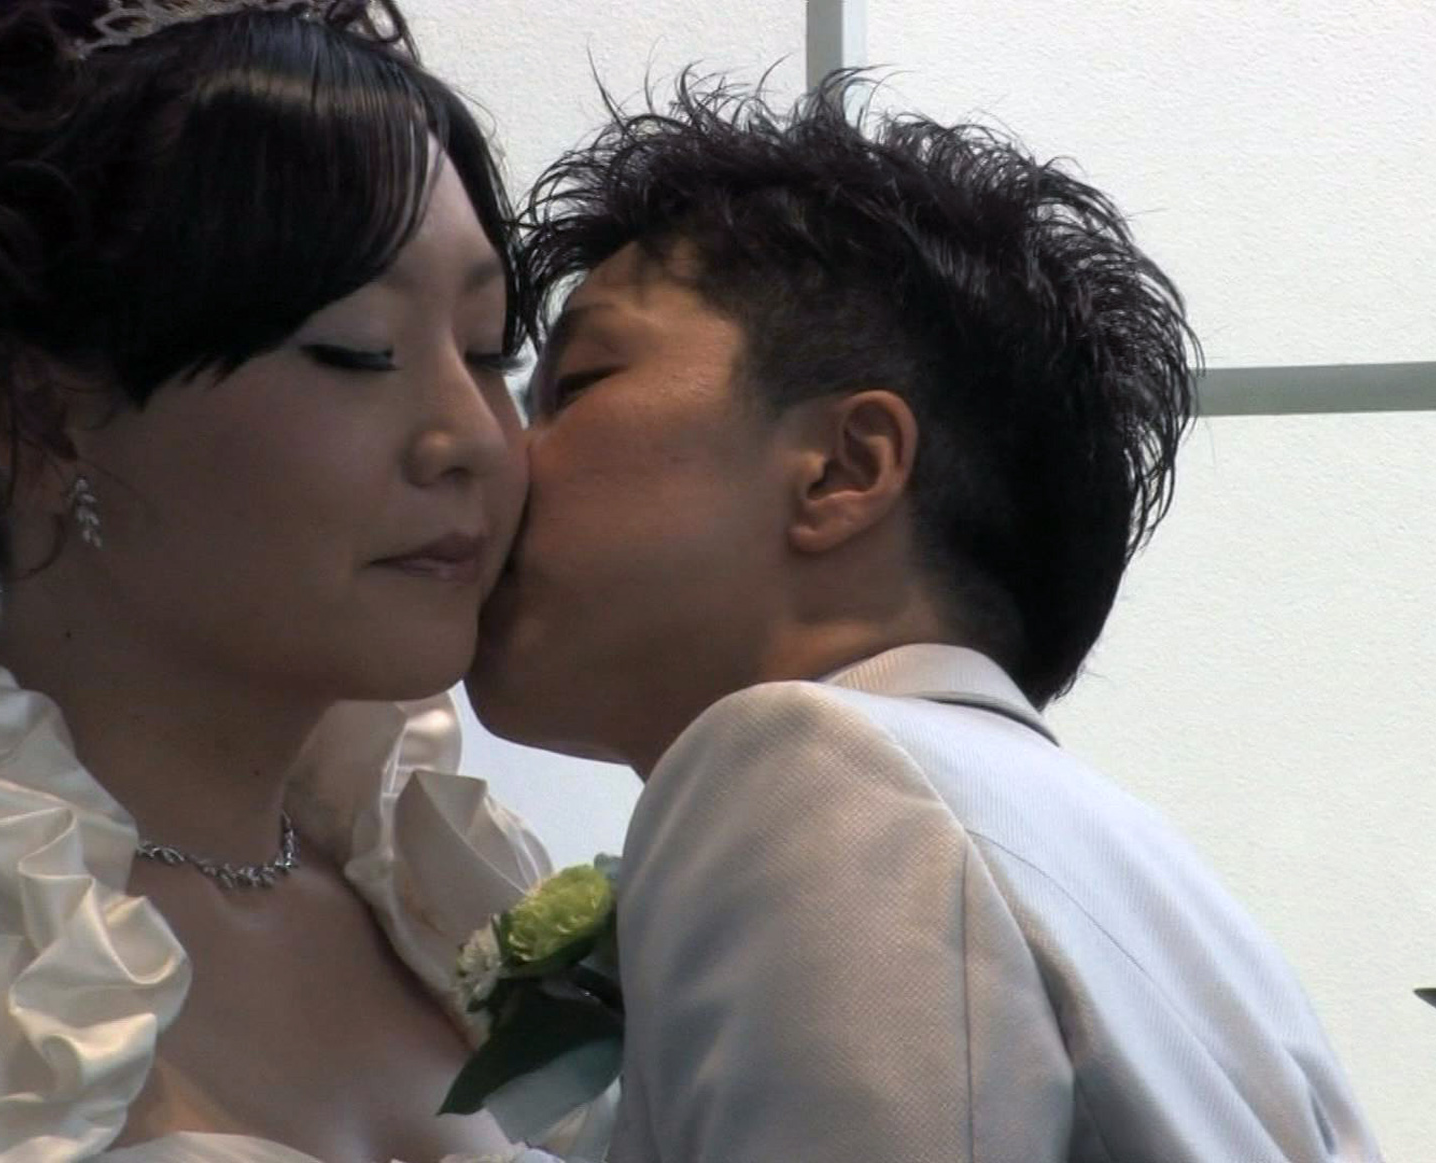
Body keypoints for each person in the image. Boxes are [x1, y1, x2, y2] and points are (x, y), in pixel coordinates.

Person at [0, 2, 608, 1160]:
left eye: (487, 350)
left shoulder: (455, 886)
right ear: (41, 420)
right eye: (359, 352)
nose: (472, 437)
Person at [467, 71, 1385, 1162]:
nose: (497, 454)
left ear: (842, 469)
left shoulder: (809, 766)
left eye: (573, 385)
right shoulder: (1150, 871)